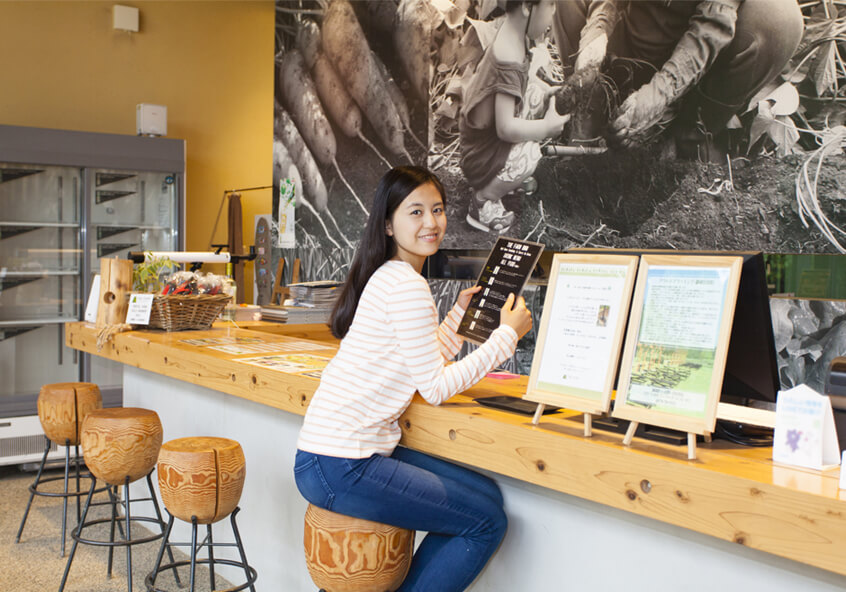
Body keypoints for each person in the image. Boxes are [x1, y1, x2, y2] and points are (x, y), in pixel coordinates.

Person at [293, 166, 533, 592]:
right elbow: (435, 388)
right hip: (342, 464)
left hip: (332, 457)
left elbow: (418, 366)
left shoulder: (390, 275)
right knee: (486, 521)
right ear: (388, 224)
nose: (431, 223)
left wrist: (458, 317)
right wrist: (505, 337)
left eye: (437, 210)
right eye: (416, 212)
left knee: (487, 497)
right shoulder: (406, 285)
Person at [553, 0, 804, 158]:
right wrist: (596, 35)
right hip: (628, 40)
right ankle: (589, 112)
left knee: (779, 18)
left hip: (693, 68)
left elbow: (711, 27)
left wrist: (657, 96)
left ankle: (685, 139)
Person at [459, 0, 570, 234]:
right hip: (481, 153)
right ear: (527, 7)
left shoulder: (514, 36)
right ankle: (483, 201)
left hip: (488, 139)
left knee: (537, 94)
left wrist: (547, 91)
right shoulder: (508, 55)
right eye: (550, 5)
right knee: (530, 154)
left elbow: (522, 84)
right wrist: (546, 128)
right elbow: (506, 129)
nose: (554, 13)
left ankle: (502, 181)